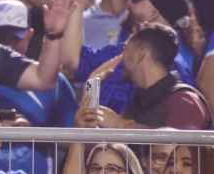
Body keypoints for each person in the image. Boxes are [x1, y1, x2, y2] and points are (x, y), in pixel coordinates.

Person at [82, 23, 211, 130]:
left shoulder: (184, 100)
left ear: (141, 54)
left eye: (125, 49)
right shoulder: (138, 102)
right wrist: (92, 82)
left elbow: (182, 147)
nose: (121, 57)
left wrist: (120, 125)